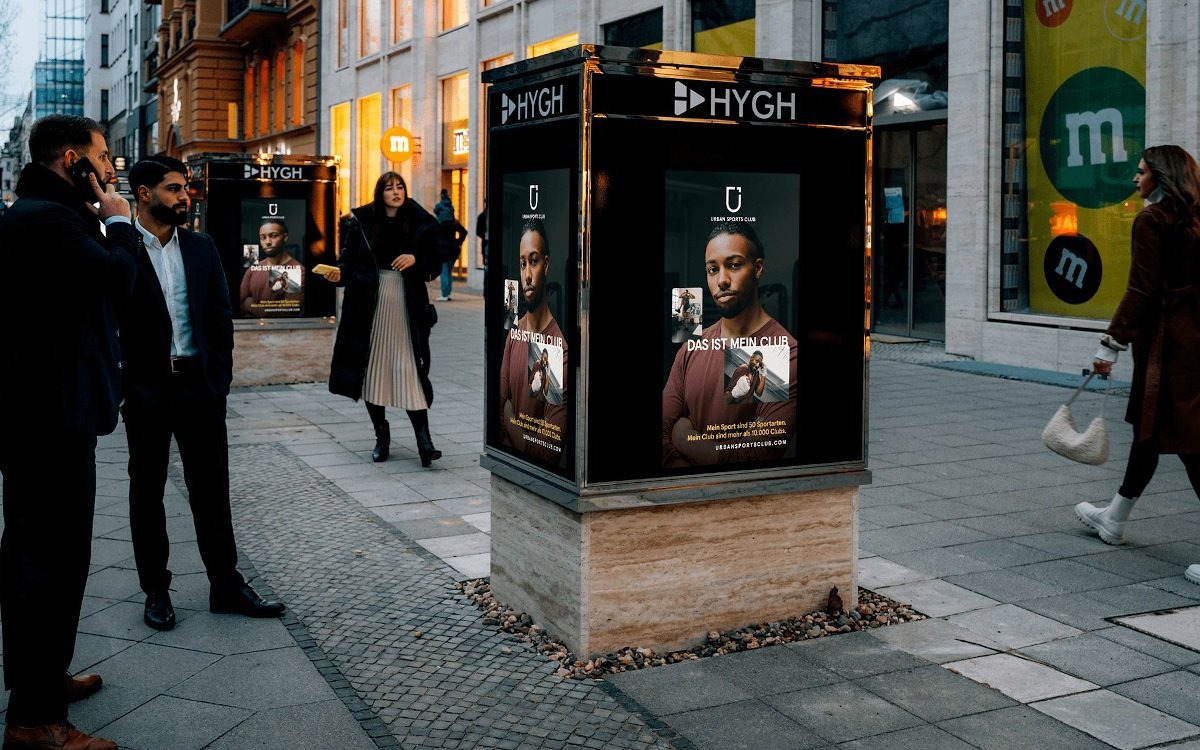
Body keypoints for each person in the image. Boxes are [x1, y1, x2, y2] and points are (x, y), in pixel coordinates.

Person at [0, 114, 139, 750]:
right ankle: (34, 719)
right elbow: (118, 278)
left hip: (50, 415)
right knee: (49, 566)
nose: (111, 168)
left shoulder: (46, 214)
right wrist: (117, 219)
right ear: (71, 158)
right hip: (47, 421)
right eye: (103, 156)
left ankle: (43, 682)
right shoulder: (45, 219)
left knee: (50, 560)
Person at [122, 156, 285, 633]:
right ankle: (156, 590)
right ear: (145, 193)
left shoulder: (201, 246)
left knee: (212, 489)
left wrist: (219, 382)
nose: (184, 196)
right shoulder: (121, 247)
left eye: (185, 188)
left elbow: (219, 318)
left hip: (199, 385)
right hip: (148, 389)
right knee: (146, 492)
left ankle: (225, 584)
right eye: (174, 188)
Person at [1075, 145, 1200, 586]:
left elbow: (1142, 290)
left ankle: (1114, 517)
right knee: (1151, 429)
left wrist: (1110, 345)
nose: (1135, 177)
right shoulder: (1195, 218)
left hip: (1170, 346)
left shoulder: (1153, 219)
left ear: (1161, 177)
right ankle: (1114, 516)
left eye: (1141, 170)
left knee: (1189, 442)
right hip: (1194, 338)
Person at [325, 172, 444, 466]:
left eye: (400, 186)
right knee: (372, 372)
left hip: (406, 306)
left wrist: (416, 259)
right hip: (369, 307)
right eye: (389, 188)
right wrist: (338, 273)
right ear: (380, 193)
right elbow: (347, 261)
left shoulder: (420, 221)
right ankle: (382, 436)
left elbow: (436, 261)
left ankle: (425, 443)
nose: (396, 192)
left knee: (410, 371)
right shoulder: (361, 222)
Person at [662, 222, 798, 467]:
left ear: (757, 268)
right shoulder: (691, 347)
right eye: (713, 269)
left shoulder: (782, 351)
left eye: (734, 265)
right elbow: (660, 432)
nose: (722, 280)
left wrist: (683, 437)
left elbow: (753, 457)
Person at [498, 219, 568, 465]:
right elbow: (496, 407)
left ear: (546, 265)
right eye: (522, 263)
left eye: (534, 261)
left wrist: (508, 416)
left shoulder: (556, 347)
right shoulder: (515, 333)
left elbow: (546, 453)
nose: (527, 275)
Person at [239, 218, 304, 316]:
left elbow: (286, 311)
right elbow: (241, 301)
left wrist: (252, 306)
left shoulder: (297, 270)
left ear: (285, 237)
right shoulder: (253, 268)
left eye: (273, 236)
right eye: (263, 237)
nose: (268, 242)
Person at [433, 188, 458, 301]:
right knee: (449, 272)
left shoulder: (438, 223)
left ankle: (444, 294)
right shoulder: (453, 220)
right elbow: (463, 232)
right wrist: (458, 242)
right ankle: (447, 293)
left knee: (443, 272)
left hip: (442, 250)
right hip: (452, 249)